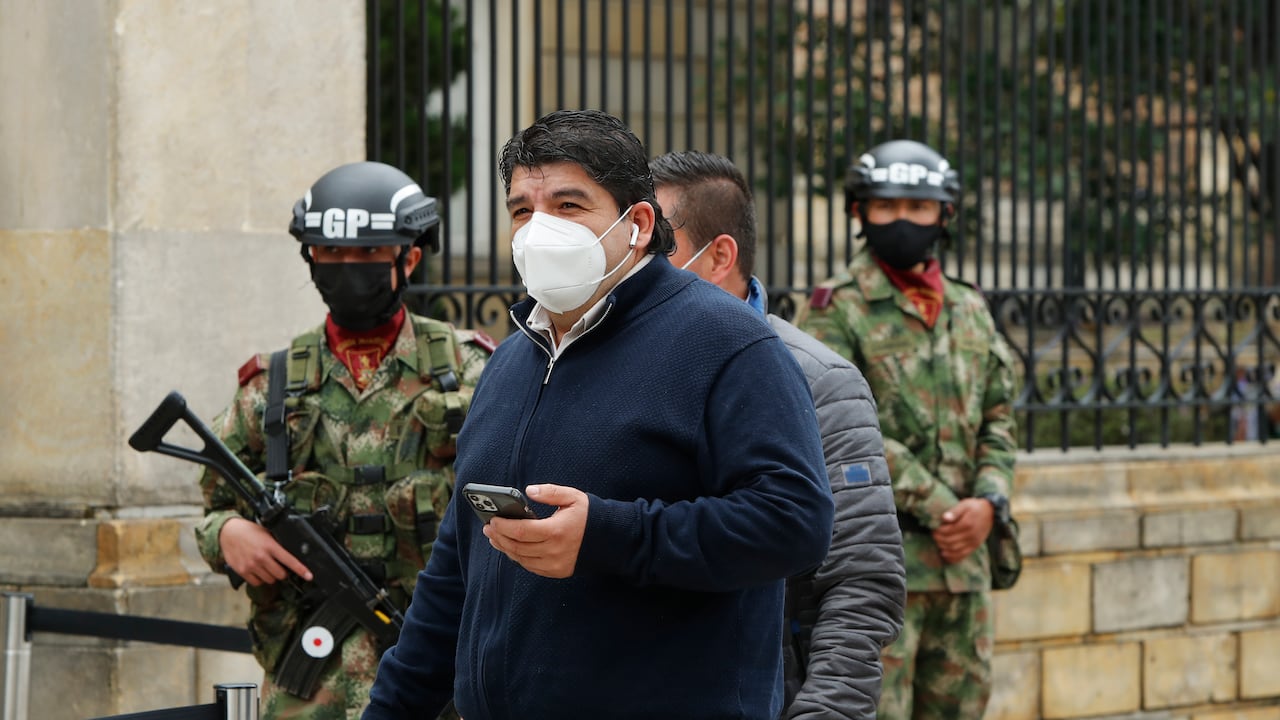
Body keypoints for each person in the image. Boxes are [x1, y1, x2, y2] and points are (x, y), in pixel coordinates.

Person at [364, 110, 835, 720]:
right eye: (522, 210)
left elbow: (795, 521)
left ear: (638, 223)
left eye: (568, 205)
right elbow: (458, 570)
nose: (539, 230)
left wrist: (611, 537)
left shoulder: (727, 345)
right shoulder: (508, 363)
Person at [194, 160, 492, 720]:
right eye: (331, 254)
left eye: (367, 254)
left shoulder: (471, 369)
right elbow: (212, 507)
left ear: (409, 257)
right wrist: (228, 533)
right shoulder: (272, 385)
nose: (347, 268)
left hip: (441, 670)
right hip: (310, 678)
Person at [650, 150, 906, 720]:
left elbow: (861, 582)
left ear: (719, 256)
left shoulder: (817, 381)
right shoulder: (611, 364)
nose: (634, 262)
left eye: (657, 245)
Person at [795, 140, 1019, 720]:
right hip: (878, 567)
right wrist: (947, 506)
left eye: (918, 207)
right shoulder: (832, 309)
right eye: (886, 205)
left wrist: (989, 503)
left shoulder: (970, 308)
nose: (902, 220)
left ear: (944, 215)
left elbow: (999, 415)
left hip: (963, 570)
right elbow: (836, 421)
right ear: (858, 212)